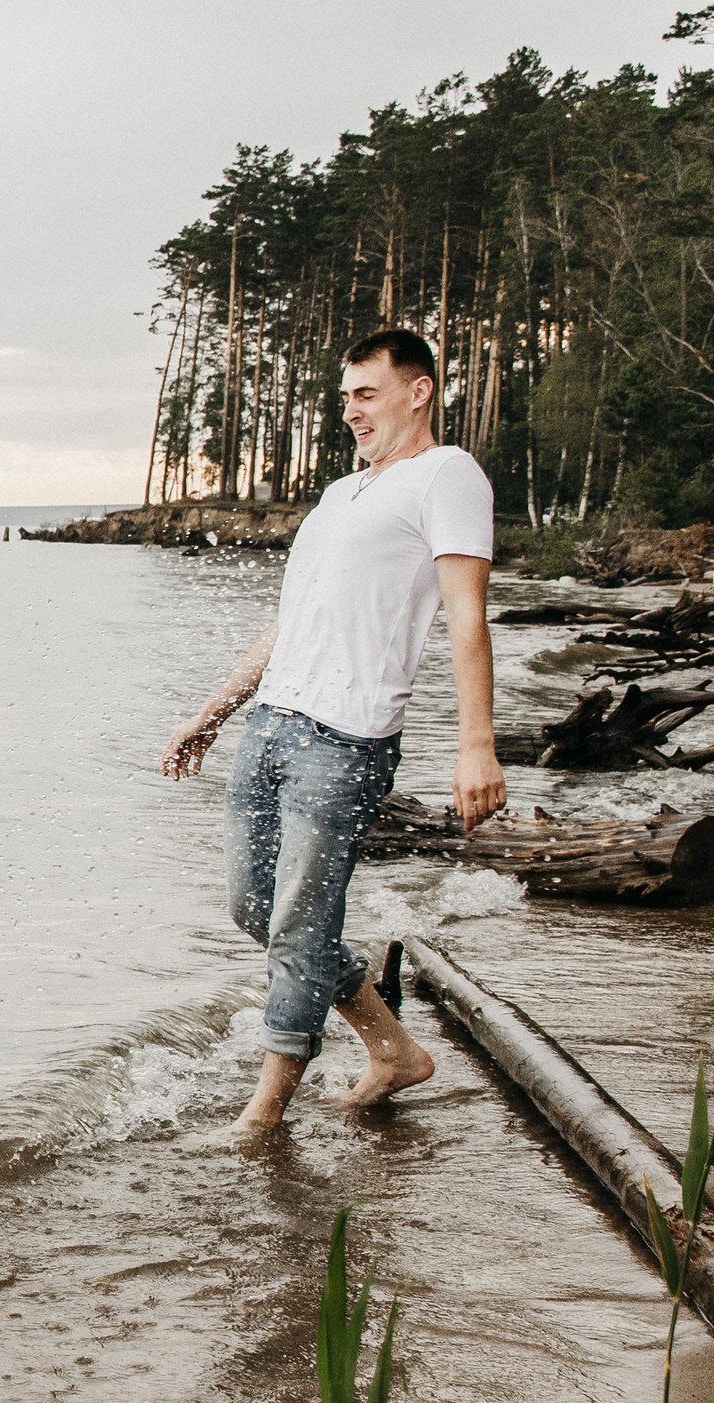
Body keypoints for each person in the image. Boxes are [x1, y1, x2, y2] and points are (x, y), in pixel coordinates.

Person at [160, 328, 504, 1133]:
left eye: (366, 394)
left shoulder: (446, 476)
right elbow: (289, 624)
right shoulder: (340, 495)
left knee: (299, 921)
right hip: (272, 725)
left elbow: (467, 618)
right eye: (344, 396)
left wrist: (475, 743)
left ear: (418, 392)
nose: (349, 411)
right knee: (256, 908)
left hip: (344, 739)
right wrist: (210, 715)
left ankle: (263, 1112)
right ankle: (393, 1050)